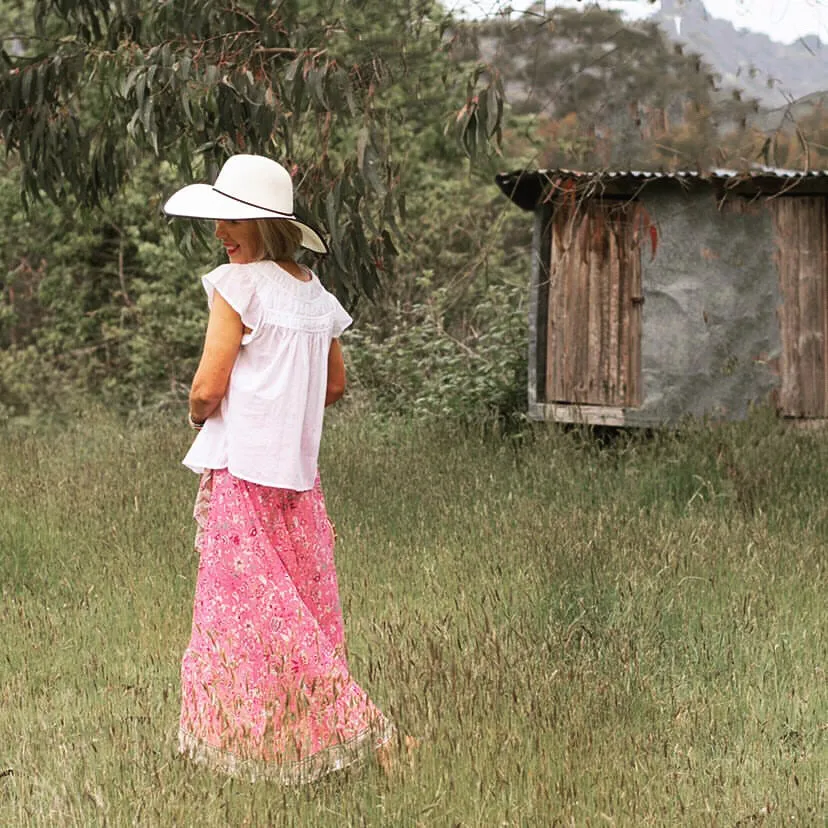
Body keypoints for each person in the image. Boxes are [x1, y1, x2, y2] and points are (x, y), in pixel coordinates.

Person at [163, 154, 394, 784]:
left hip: (244, 481)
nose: (219, 234)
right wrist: (282, 403)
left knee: (247, 618)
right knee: (294, 612)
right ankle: (286, 749)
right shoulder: (315, 294)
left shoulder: (236, 286)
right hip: (298, 485)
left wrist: (196, 415)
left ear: (264, 227)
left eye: (231, 221)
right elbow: (336, 384)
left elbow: (208, 387)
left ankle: (367, 728)